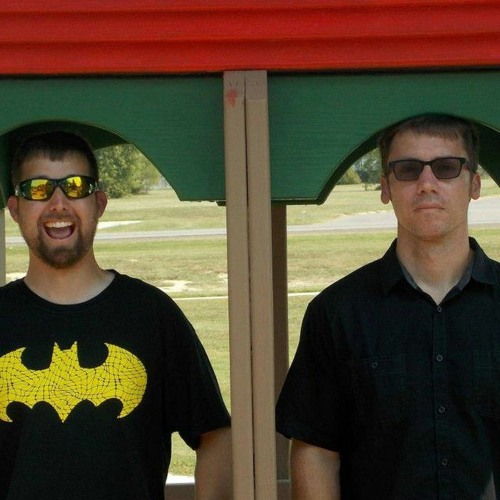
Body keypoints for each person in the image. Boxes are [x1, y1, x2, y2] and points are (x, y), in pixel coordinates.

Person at [276, 114, 500, 499]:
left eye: (446, 168)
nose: (426, 184)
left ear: (474, 184)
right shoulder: (337, 313)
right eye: (408, 170)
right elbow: (316, 451)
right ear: (385, 187)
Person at [0, 131, 232, 499]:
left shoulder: (150, 314)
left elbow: (215, 434)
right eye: (39, 189)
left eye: (76, 187)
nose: (59, 203)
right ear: (15, 209)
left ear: (99, 203)